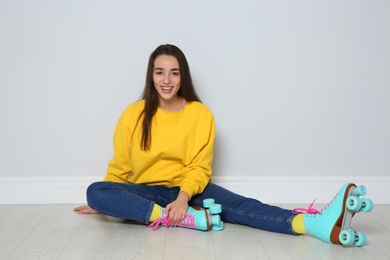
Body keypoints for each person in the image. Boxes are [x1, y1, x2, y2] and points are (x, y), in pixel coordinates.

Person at [74, 44, 372, 246]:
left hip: (191, 189)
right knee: (95, 190)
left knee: (245, 209)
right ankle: (180, 219)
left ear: (182, 76)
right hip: (147, 192)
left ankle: (312, 225)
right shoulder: (134, 113)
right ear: (150, 75)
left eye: (174, 72)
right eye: (159, 72)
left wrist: (182, 198)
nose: (166, 80)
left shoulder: (199, 114)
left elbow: (199, 167)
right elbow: (120, 167)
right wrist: (105, 202)